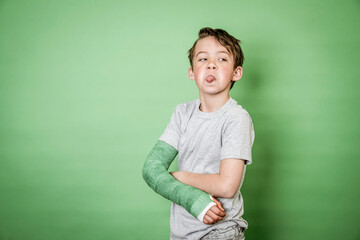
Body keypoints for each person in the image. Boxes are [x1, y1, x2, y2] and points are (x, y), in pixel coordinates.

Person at [143, 27, 255, 240]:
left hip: (220, 231)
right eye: (203, 59)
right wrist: (192, 199)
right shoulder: (182, 113)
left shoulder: (236, 118)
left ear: (236, 72)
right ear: (192, 72)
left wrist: (178, 177)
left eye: (222, 59)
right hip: (181, 232)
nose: (211, 64)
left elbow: (227, 186)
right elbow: (151, 168)